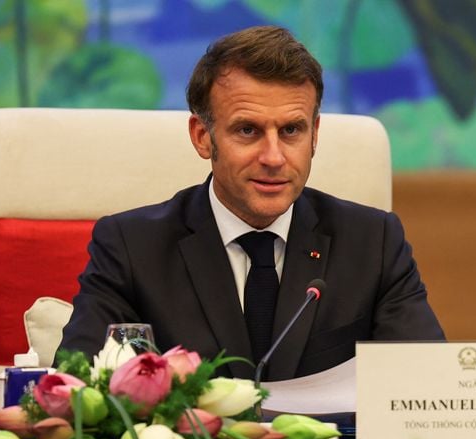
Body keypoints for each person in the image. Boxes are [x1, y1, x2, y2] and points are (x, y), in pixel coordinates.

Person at [59, 26, 444, 380]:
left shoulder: (374, 242)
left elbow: (428, 385)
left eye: (291, 130)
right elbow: (78, 390)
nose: (274, 157)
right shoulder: (130, 247)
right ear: (202, 136)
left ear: (314, 135)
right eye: (248, 130)